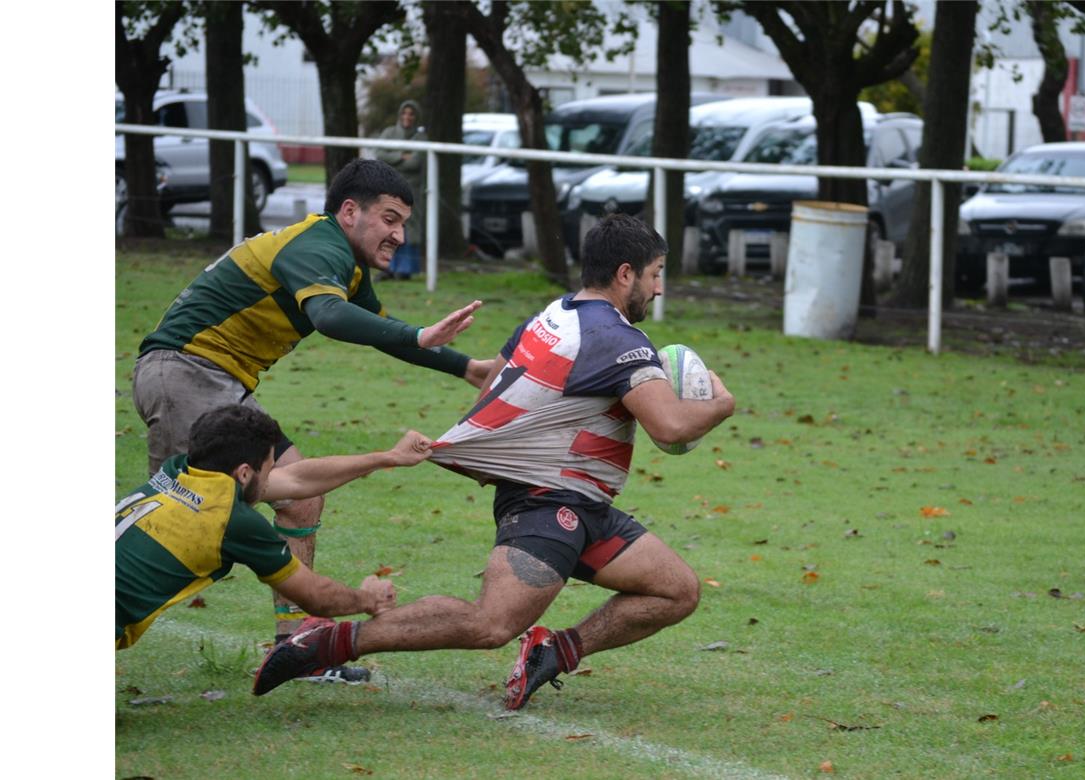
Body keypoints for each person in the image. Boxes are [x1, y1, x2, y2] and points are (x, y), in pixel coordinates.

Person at [252, 214, 735, 708]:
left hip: (583, 502)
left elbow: (496, 383)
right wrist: (721, 406)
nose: (657, 290)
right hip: (547, 503)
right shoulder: (618, 340)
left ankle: (553, 650)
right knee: (491, 623)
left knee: (676, 590)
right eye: (655, 275)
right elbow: (670, 428)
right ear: (626, 273)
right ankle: (324, 644)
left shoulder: (554, 315)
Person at [132, 158, 492, 671]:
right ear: (349, 212)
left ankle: (295, 644)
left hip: (218, 382)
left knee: (302, 502)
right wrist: (419, 336)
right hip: (187, 373)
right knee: (172, 537)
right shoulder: (317, 245)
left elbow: (379, 328)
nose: (398, 233)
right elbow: (328, 316)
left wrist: (469, 368)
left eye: (403, 223)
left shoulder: (343, 262)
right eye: (389, 219)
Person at [117, 405, 433, 657]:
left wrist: (389, 457)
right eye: (268, 469)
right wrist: (369, 599)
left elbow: (296, 480)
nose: (270, 479)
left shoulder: (181, 469)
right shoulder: (230, 520)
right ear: (243, 473)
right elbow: (316, 597)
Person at [373, 100, 427, 281]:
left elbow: (415, 162)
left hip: (412, 192)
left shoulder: (420, 138)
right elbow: (380, 154)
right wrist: (402, 156)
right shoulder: (389, 133)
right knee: (387, 226)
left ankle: (405, 270)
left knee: (408, 228)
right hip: (388, 189)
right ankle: (387, 267)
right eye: (405, 113)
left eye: (411, 114)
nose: (407, 117)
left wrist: (394, 159)